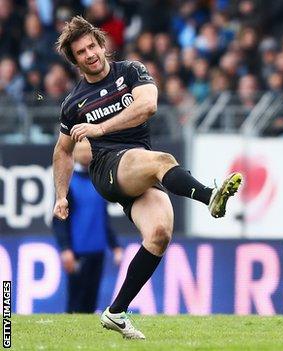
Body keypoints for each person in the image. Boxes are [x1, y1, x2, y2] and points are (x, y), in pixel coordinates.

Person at [52, 16, 243, 339]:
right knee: (162, 161)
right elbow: (62, 151)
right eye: (81, 52)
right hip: (108, 169)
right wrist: (60, 195)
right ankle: (209, 196)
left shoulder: (131, 71)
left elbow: (148, 106)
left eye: (92, 46)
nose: (89, 54)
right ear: (75, 60)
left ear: (102, 45)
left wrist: (99, 127)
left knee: (159, 234)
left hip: (138, 168)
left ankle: (116, 312)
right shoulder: (74, 104)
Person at [52, 139, 123, 313]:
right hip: (77, 251)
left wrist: (115, 246)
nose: (85, 153)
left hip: (97, 250)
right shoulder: (68, 184)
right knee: (75, 303)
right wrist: (65, 248)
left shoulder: (99, 181)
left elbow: (103, 218)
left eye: (88, 150)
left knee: (91, 303)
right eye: (81, 150)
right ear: (74, 153)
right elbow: (59, 220)